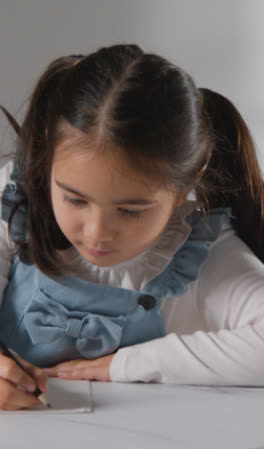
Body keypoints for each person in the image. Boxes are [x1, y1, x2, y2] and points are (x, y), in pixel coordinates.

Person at [0, 43, 263, 410]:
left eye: (130, 211)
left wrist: (125, 365)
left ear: (188, 184)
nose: (95, 233)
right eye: (75, 200)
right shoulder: (14, 204)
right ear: (47, 155)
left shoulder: (199, 248)